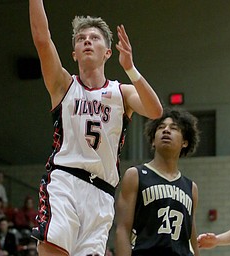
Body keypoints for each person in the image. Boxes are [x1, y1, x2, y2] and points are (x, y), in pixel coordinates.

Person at [29, 1, 163, 255]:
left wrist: (130, 69)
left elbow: (155, 111)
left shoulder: (121, 93)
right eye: (81, 39)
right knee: (52, 250)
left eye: (94, 38)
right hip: (65, 182)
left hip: (102, 194)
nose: (87, 41)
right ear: (74, 53)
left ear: (108, 52)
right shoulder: (63, 85)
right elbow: (42, 39)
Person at [115, 107, 200, 256]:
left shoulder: (191, 187)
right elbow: (122, 229)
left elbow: (190, 238)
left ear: (185, 142)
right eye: (161, 127)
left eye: (174, 128)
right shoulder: (135, 175)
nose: (166, 130)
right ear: (153, 140)